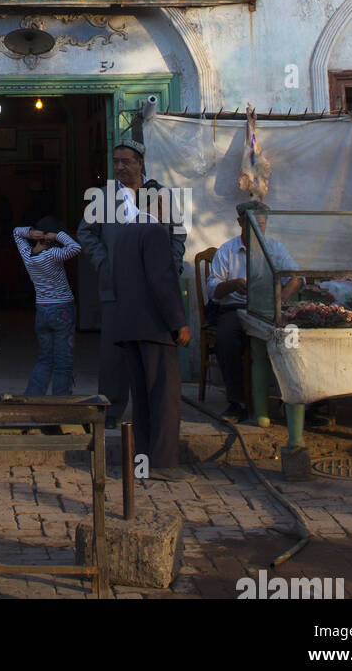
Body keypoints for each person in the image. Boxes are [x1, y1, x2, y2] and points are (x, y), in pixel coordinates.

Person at [77, 139, 182, 427]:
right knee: (114, 353)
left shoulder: (159, 194)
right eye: (115, 161)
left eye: (126, 161)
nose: (120, 167)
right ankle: (109, 412)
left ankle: (149, 415)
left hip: (154, 288)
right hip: (117, 287)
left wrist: (171, 266)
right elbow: (86, 234)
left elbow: (178, 236)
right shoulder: (104, 196)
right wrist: (104, 264)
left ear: (140, 163)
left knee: (153, 352)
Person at [109, 210, 191, 479]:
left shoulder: (123, 234)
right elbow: (162, 280)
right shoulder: (154, 232)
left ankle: (142, 460)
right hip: (154, 328)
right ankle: (163, 464)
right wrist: (179, 322)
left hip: (129, 327)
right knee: (164, 398)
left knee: (142, 398)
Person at [205, 208, 302, 422]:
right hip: (235, 308)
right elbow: (212, 289)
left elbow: (296, 278)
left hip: (268, 308)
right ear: (240, 222)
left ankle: (290, 399)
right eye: (252, 224)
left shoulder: (275, 248)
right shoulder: (227, 250)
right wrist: (232, 284)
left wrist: (282, 299)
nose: (259, 229)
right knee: (226, 339)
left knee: (291, 338)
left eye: (262, 224)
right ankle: (236, 402)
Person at [13, 215, 81, 396]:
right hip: (62, 310)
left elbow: (16, 233)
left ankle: (33, 399)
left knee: (44, 359)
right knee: (63, 361)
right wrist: (58, 236)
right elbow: (75, 247)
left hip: (42, 311)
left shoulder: (28, 256)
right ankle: (61, 403)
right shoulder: (53, 255)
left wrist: (29, 232)